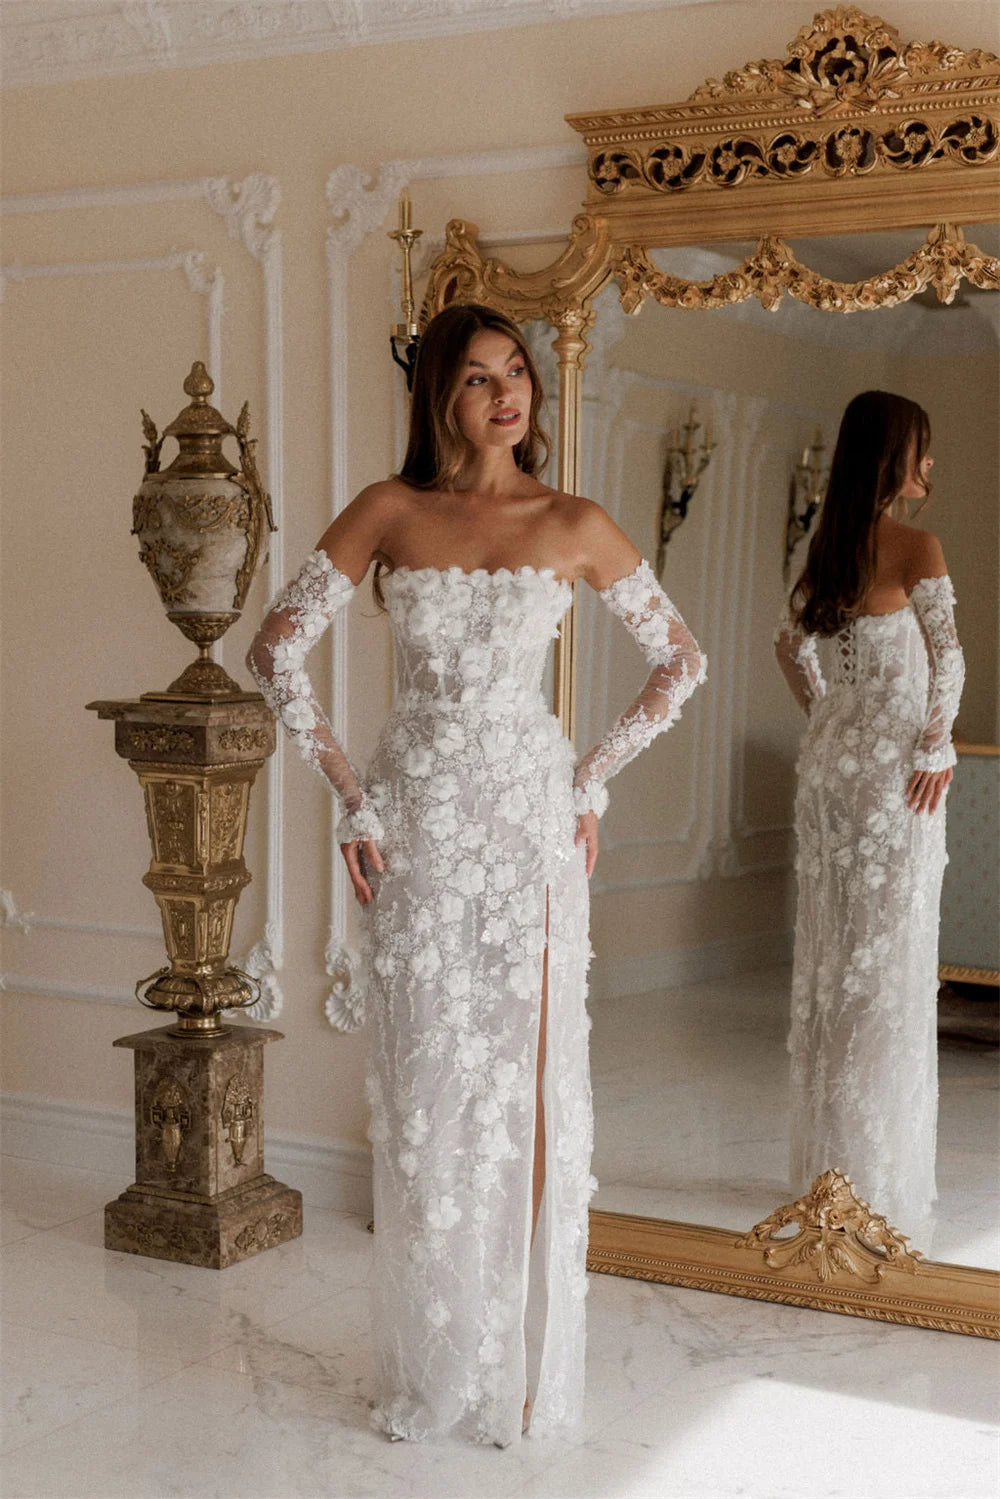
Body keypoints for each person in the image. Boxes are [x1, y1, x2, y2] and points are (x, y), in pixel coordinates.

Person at [248, 302, 705, 1447]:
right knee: (426, 1096)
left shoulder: (573, 519)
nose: (507, 394)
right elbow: (274, 648)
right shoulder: (388, 510)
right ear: (437, 399)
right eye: (476, 378)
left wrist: (589, 780)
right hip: (417, 824)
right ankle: (434, 1357)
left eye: (517, 374)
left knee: (530, 1091)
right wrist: (351, 791)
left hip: (527, 830)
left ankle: (519, 1367)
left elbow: (680, 659)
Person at [775, 389, 964, 1234]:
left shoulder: (832, 545)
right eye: (921, 450)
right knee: (883, 960)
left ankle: (832, 1163)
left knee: (837, 955)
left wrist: (827, 716)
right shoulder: (917, 545)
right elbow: (949, 661)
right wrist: (935, 743)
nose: (930, 467)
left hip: (833, 767)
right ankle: (870, 1172)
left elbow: (792, 646)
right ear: (893, 457)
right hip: (892, 777)